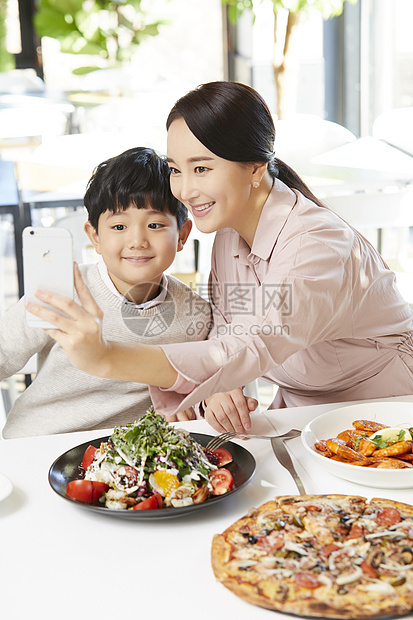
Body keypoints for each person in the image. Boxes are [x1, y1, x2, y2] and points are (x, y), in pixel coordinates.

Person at [26, 81, 413, 435]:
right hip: (297, 408)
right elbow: (227, 325)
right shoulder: (229, 229)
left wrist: (106, 358)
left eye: (202, 168)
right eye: (177, 170)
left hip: (382, 405)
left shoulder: (316, 243)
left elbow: (256, 342)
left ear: (255, 169)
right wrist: (226, 385)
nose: (185, 189)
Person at [1, 146, 212, 438]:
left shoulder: (197, 314)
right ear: (95, 237)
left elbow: (204, 386)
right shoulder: (62, 292)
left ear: (182, 234)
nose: (137, 240)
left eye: (154, 224)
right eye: (119, 225)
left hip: (130, 457)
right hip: (41, 441)